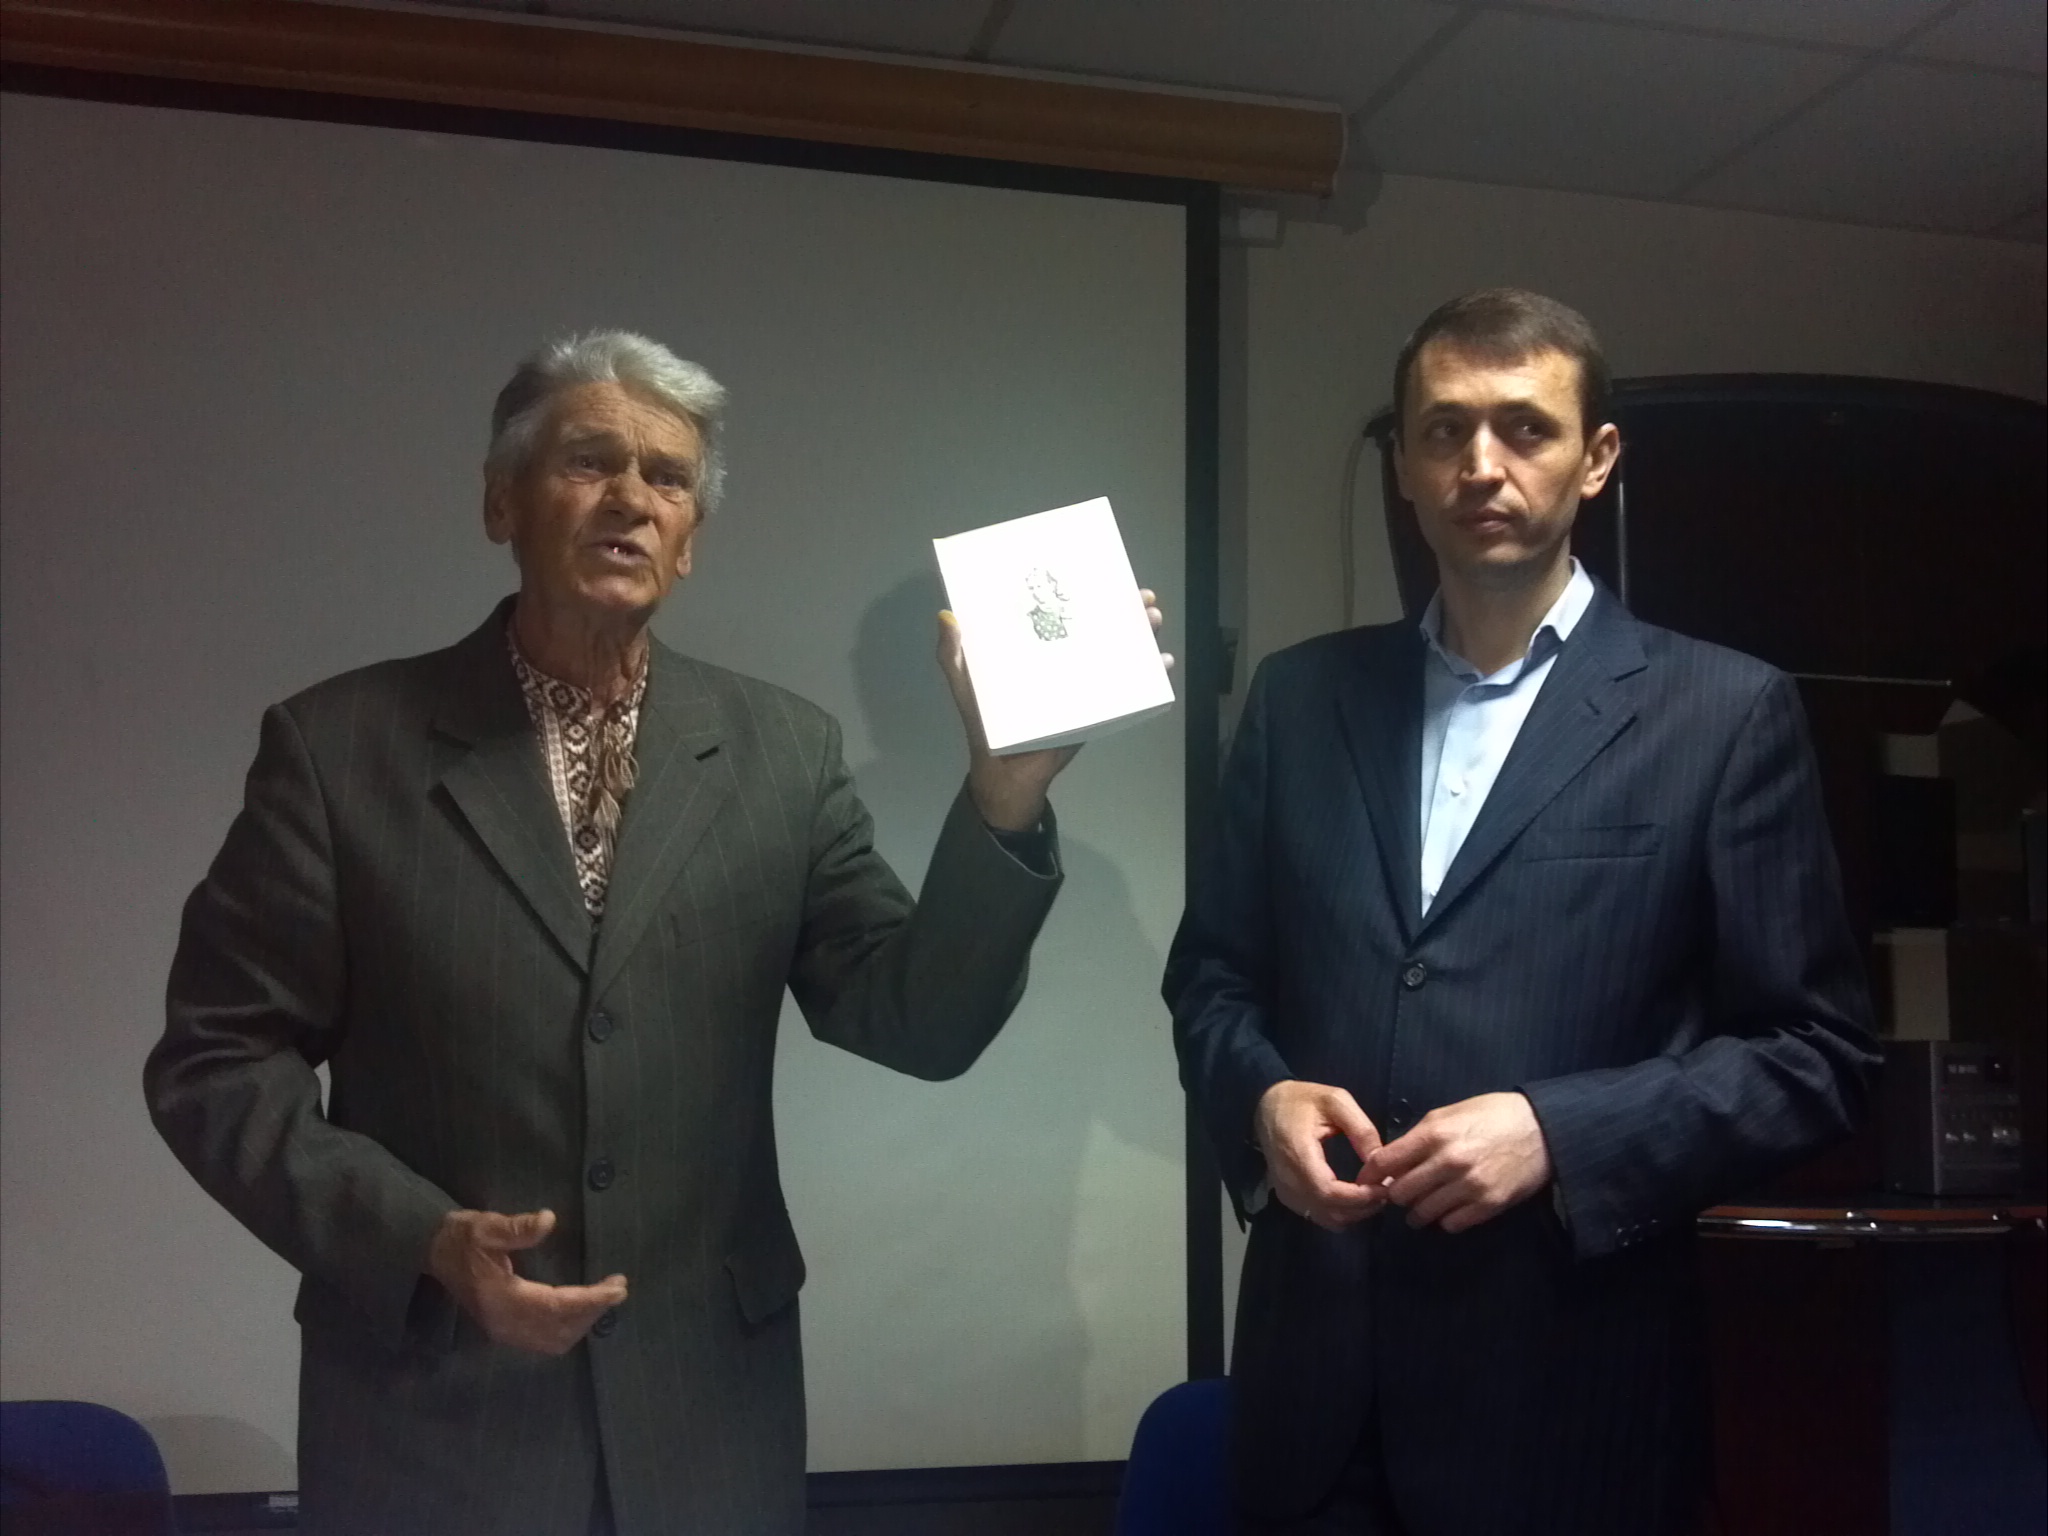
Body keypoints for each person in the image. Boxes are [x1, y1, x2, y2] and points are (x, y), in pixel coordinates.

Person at [146, 330, 1163, 1536]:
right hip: (432, 1416)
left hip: (705, 1422)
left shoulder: (781, 754)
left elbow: (918, 1024)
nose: (632, 496)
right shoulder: (339, 749)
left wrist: (1002, 793)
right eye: (589, 461)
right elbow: (216, 1063)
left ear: (687, 541)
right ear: (499, 503)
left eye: (668, 478)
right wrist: (419, 1238)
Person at [1164, 289, 1877, 1536]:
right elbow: (1213, 979)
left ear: (1594, 458)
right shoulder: (1298, 700)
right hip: (1311, 1405)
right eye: (1442, 430)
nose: (1479, 464)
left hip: (1567, 1408)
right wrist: (1259, 1102)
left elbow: (1814, 1055)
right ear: (1403, 463)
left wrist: (1560, 1130)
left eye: (1523, 428)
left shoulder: (1721, 715)